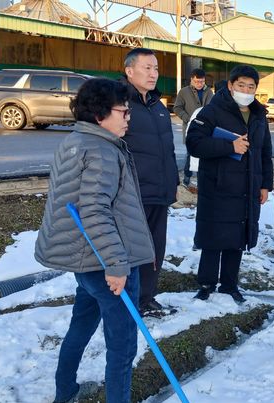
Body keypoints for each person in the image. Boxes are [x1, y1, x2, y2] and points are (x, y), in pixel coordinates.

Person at [35, 78, 154, 403]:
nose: (128, 118)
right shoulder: (102, 151)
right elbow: (94, 209)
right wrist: (117, 265)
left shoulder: (76, 141)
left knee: (81, 326)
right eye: (124, 112)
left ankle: (66, 391)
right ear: (101, 113)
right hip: (108, 263)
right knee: (123, 345)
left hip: (86, 261)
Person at [186, 65, 274, 303]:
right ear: (231, 86)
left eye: (251, 86)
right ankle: (206, 284)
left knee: (237, 237)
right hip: (218, 187)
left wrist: (265, 184)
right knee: (213, 237)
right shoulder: (212, 111)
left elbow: (265, 151)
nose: (246, 90)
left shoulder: (258, 114)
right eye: (241, 85)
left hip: (246, 187)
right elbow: (194, 142)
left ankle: (229, 284)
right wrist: (229, 146)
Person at [120, 48, 179, 316]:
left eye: (156, 68)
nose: (153, 73)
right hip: (133, 193)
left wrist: (173, 183)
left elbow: (166, 150)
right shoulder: (120, 104)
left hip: (160, 191)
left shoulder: (158, 106)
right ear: (129, 71)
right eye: (147, 68)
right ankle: (128, 299)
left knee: (155, 248)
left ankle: (147, 297)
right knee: (133, 250)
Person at [174, 68, 214, 186]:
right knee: (190, 153)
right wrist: (188, 118)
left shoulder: (209, 92)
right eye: (197, 82)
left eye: (202, 82)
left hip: (206, 129)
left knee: (206, 153)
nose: (200, 84)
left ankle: (203, 178)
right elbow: (177, 108)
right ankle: (187, 177)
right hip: (190, 128)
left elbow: (212, 109)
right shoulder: (184, 92)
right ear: (191, 80)